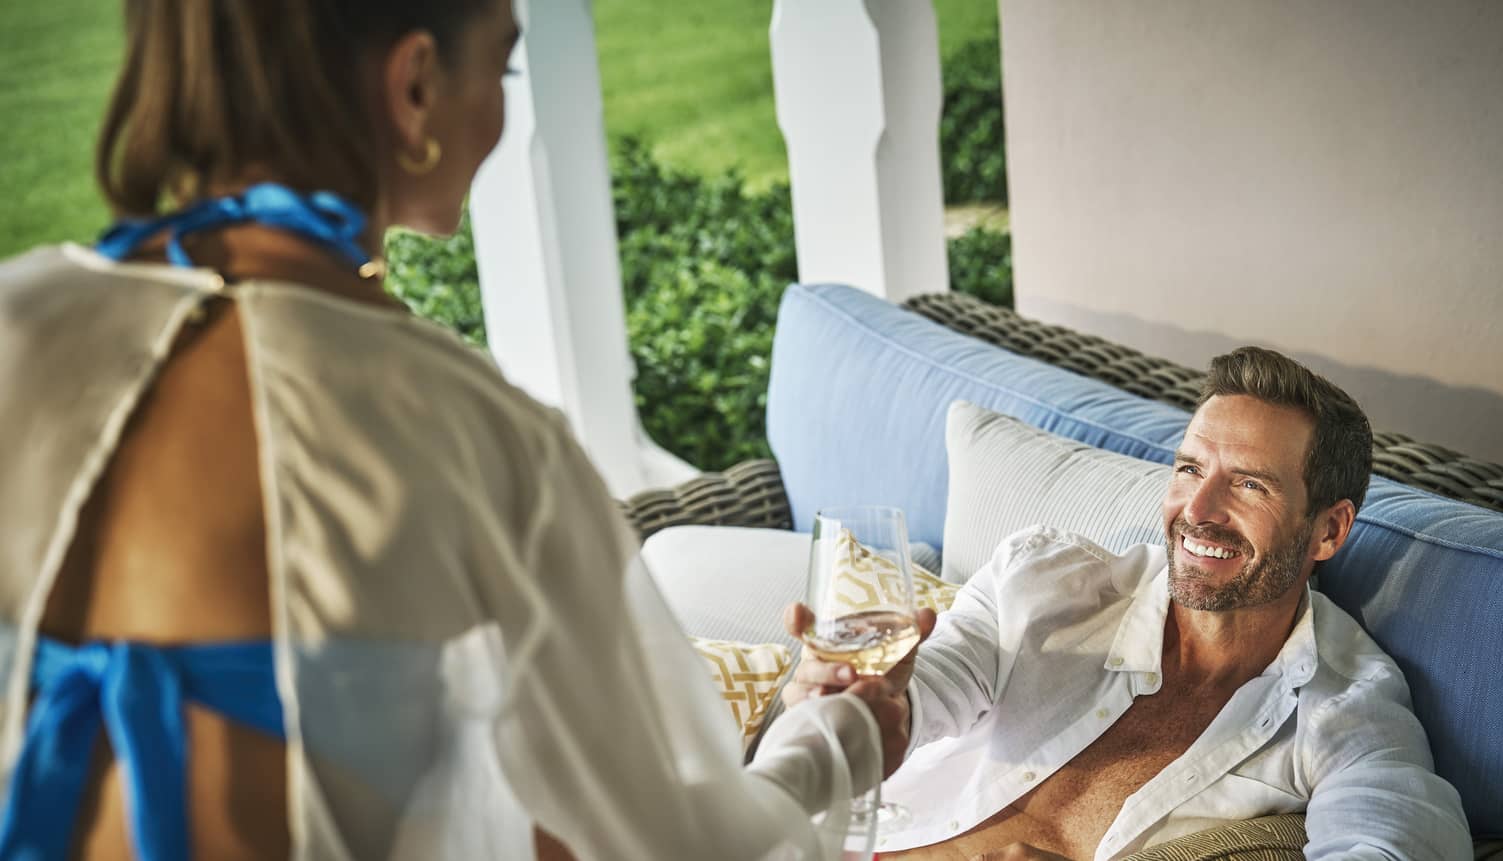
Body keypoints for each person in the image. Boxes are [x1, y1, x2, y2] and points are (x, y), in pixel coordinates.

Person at [0, 1, 916, 859]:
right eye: (505, 67)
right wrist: (836, 739)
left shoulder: (17, 324)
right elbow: (663, 844)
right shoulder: (466, 433)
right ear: (414, 86)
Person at [783, 347, 1473, 860]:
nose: (1198, 510)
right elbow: (931, 682)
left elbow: (1388, 842)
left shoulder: (1347, 710)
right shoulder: (1043, 582)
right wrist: (873, 705)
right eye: (1189, 469)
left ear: (1329, 529)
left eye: (1249, 486)